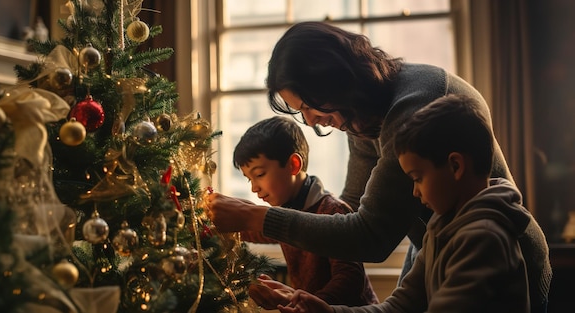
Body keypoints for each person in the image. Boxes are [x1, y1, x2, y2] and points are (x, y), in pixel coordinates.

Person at [206, 21, 548, 310]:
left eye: (310, 105)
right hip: (434, 253)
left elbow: (371, 236)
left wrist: (258, 218)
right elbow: (349, 212)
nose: (310, 122)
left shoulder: (412, 110)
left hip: (503, 263)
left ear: (333, 81)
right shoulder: (362, 118)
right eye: (300, 112)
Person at [274, 94, 552, 313]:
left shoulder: (483, 238)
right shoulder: (440, 228)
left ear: (455, 166)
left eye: (417, 179)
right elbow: (398, 307)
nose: (415, 194)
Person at [233, 116, 379, 309]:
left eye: (259, 174)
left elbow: (349, 280)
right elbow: (257, 229)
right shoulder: (285, 211)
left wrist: (307, 303)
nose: (254, 188)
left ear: (294, 165)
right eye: (248, 179)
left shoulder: (332, 211)